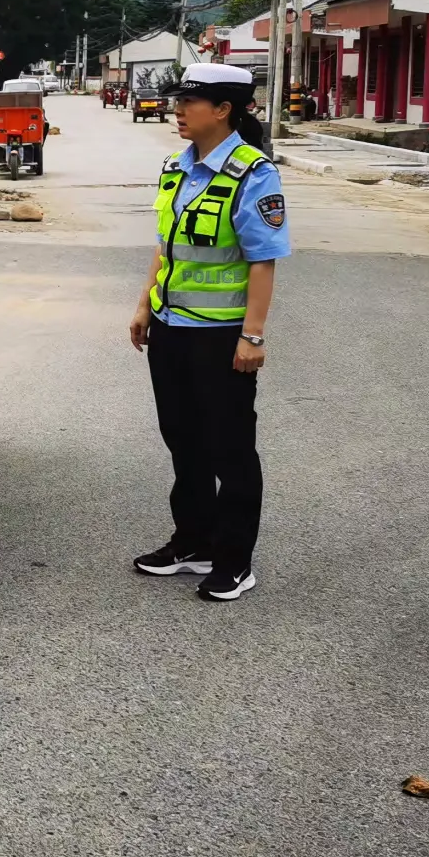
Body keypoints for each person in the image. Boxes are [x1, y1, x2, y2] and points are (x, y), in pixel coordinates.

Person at [128, 64, 290, 602]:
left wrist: (254, 335)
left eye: (189, 102)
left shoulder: (253, 173)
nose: (178, 110)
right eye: (177, 102)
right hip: (170, 326)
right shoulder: (177, 166)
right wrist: (143, 305)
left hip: (221, 336)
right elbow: (165, 243)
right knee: (183, 439)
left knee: (230, 448)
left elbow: (262, 260)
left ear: (223, 110)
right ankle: (193, 542)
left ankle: (235, 559)